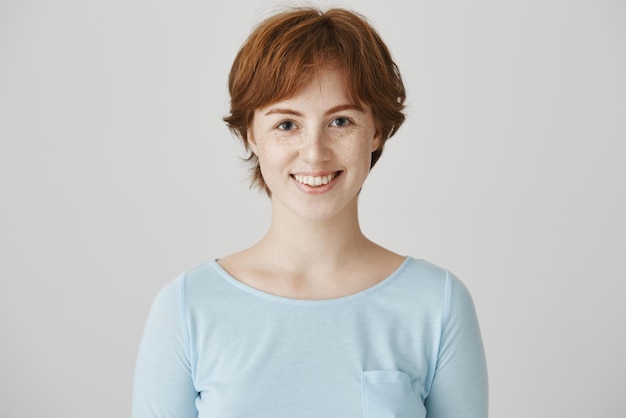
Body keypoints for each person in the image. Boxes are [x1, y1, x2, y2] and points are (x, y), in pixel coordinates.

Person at [132, 7, 488, 418]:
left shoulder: (436, 304)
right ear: (251, 133)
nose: (315, 152)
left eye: (340, 121)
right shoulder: (187, 307)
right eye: (287, 124)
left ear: (376, 131)